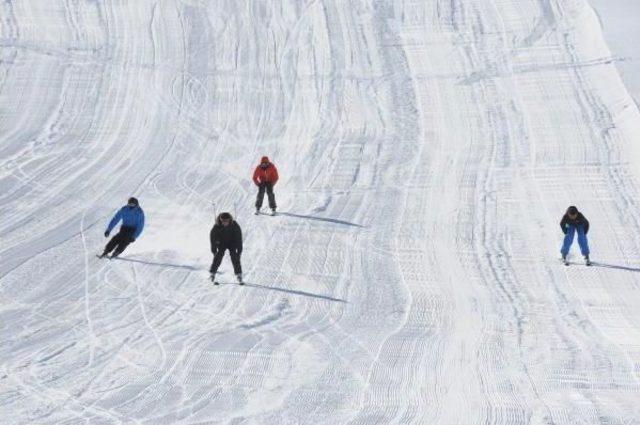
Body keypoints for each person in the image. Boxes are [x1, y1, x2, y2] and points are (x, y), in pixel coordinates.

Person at [210, 212, 243, 284]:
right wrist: (214, 250)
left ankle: (239, 274)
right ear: (221, 221)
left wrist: (239, 250)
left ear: (229, 220)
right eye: (223, 221)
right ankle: (212, 273)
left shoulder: (235, 225)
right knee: (218, 255)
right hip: (221, 243)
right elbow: (213, 239)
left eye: (226, 221)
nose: (225, 223)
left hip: (232, 243)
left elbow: (239, 238)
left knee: (235, 256)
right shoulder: (217, 226)